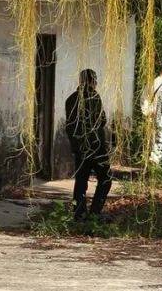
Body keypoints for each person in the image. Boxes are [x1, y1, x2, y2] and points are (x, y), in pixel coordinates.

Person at [64, 68, 113, 220]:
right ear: (93, 81)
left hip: (79, 147)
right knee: (105, 179)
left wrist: (75, 143)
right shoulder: (94, 97)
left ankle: (79, 213)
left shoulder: (71, 99)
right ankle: (95, 212)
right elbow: (102, 120)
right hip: (96, 146)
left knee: (81, 181)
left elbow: (70, 125)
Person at [140, 61, 162, 165]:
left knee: (151, 140)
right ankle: (157, 165)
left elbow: (143, 98)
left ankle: (150, 161)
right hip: (161, 116)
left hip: (150, 115)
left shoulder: (152, 82)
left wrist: (147, 112)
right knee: (159, 140)